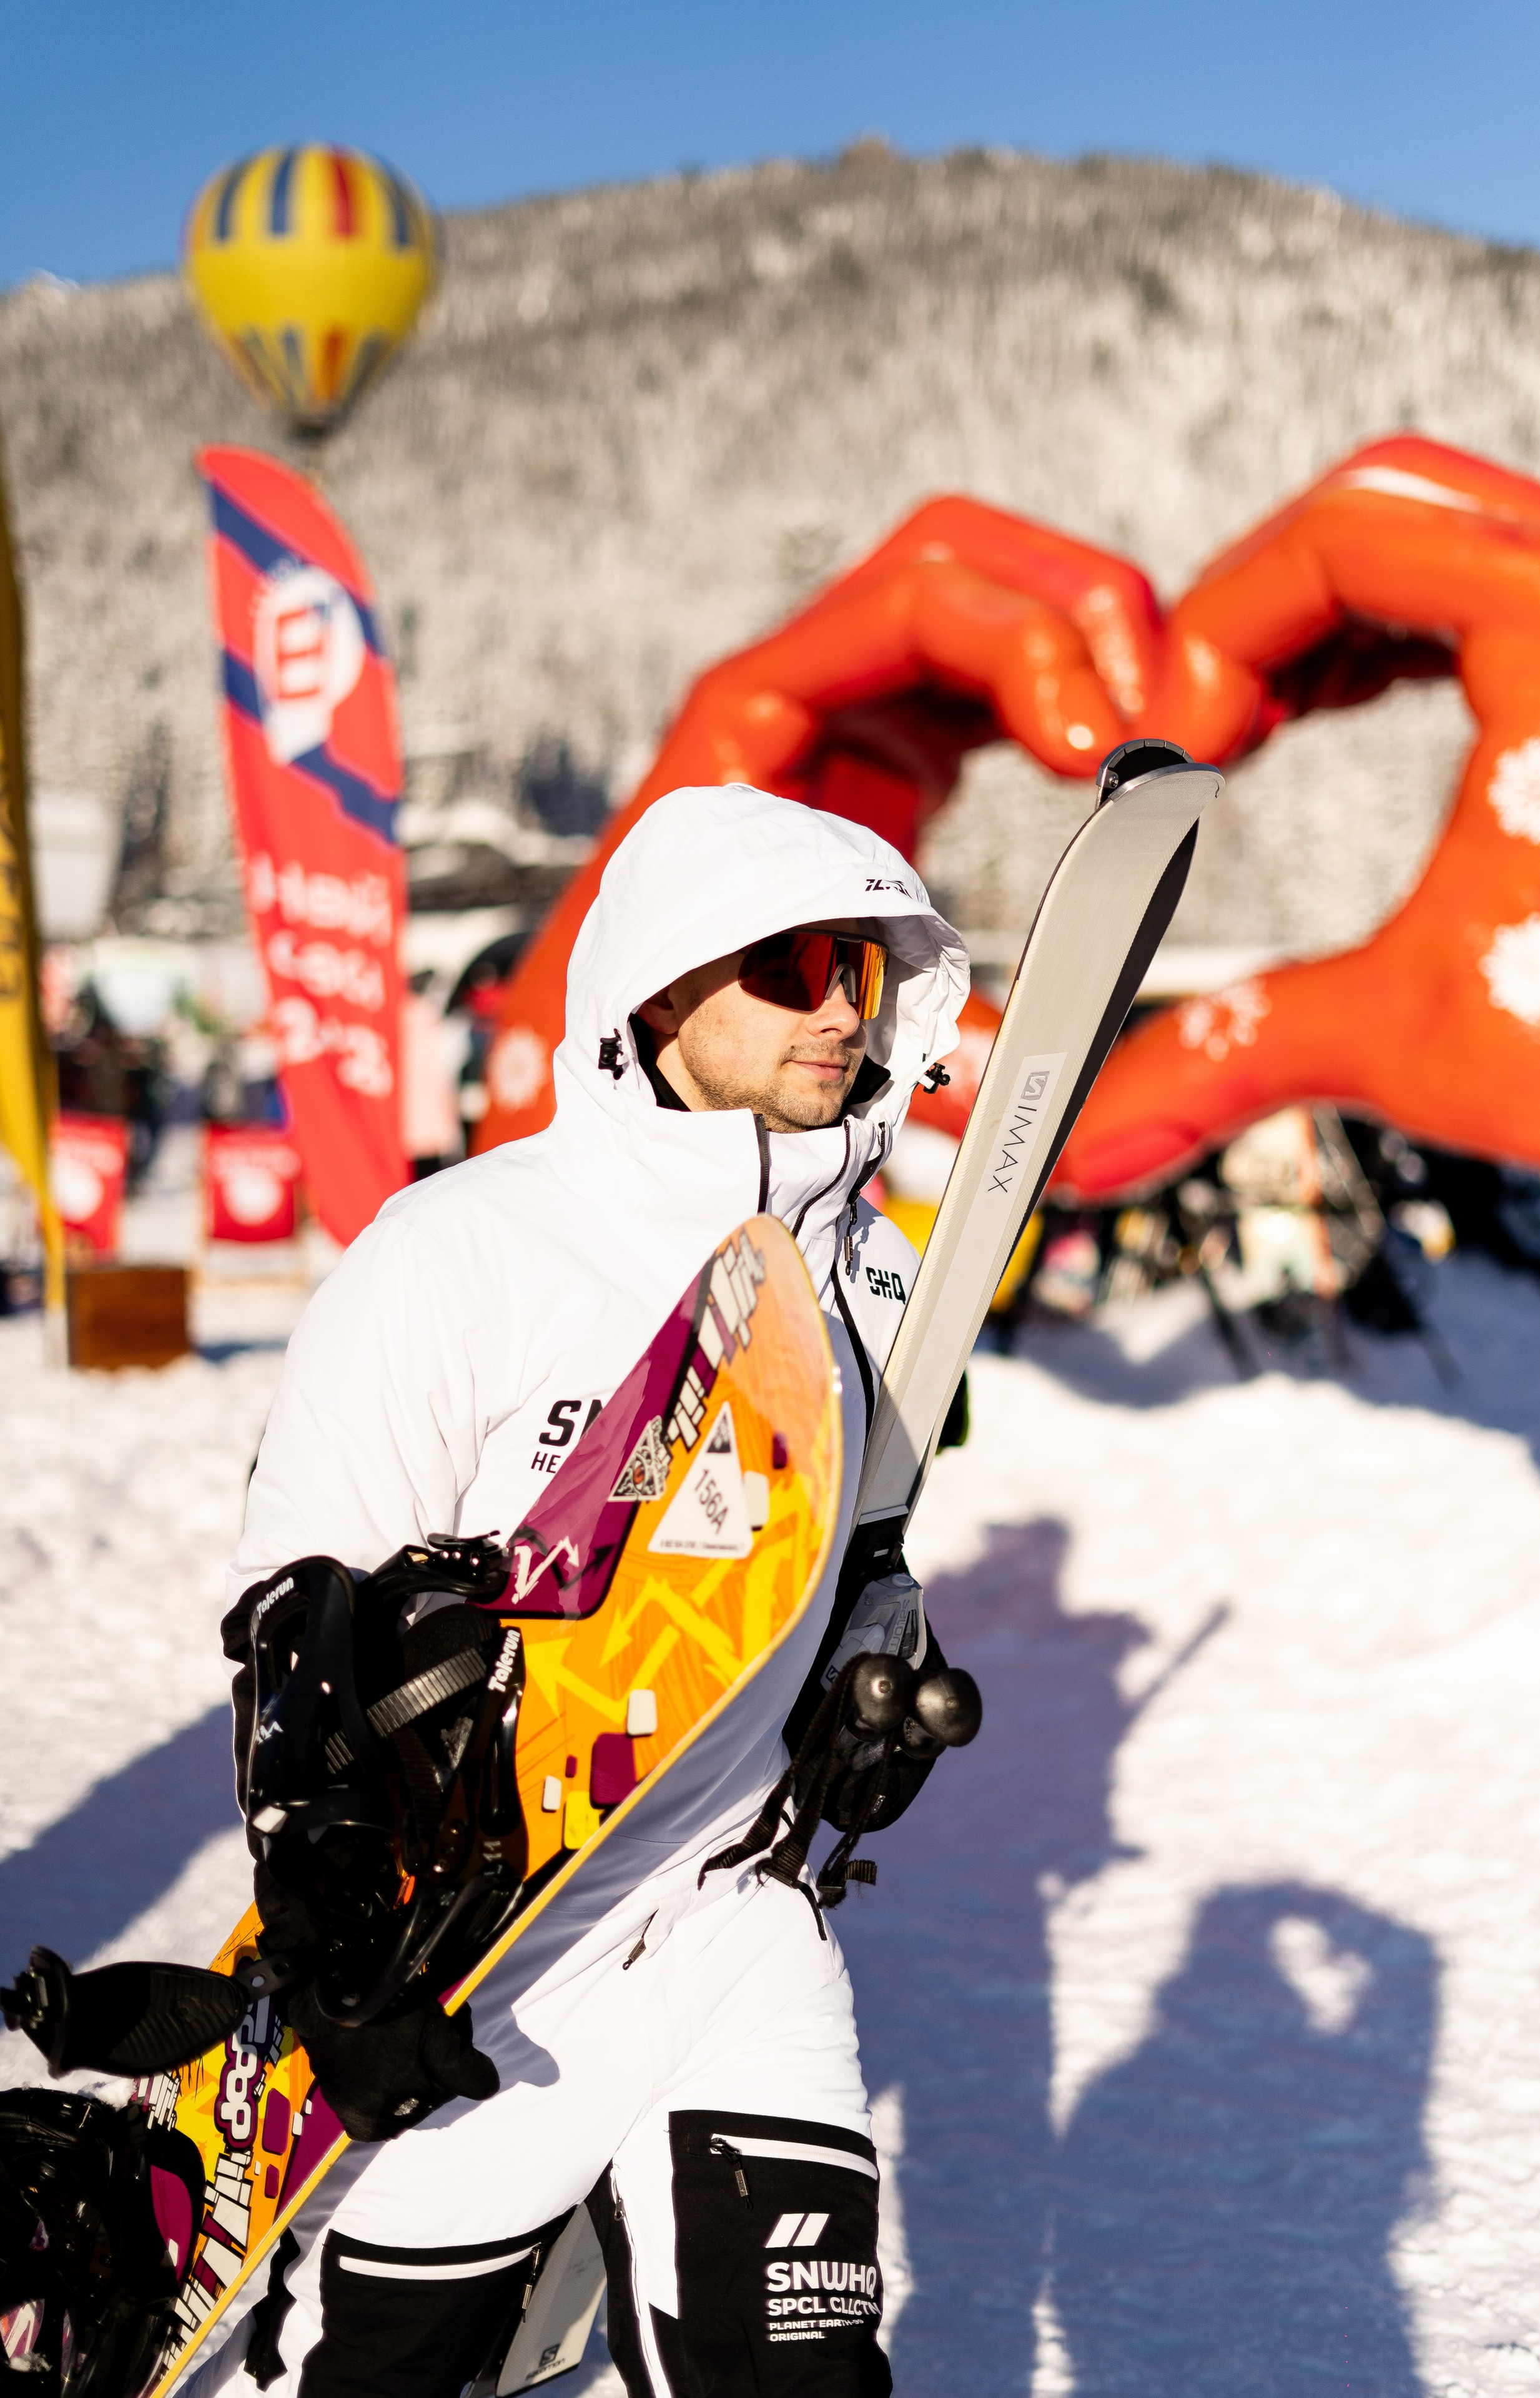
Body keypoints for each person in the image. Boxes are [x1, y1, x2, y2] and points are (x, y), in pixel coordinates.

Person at [196, 783, 969, 2398]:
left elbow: (849, 1562)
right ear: (666, 985)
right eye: (800, 965)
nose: (845, 1006)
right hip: (487, 1968)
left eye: (868, 970)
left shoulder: (861, 1273)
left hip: (738, 1927)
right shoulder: (466, 1248)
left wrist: (876, 1686)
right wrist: (340, 1940)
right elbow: (303, 1615)